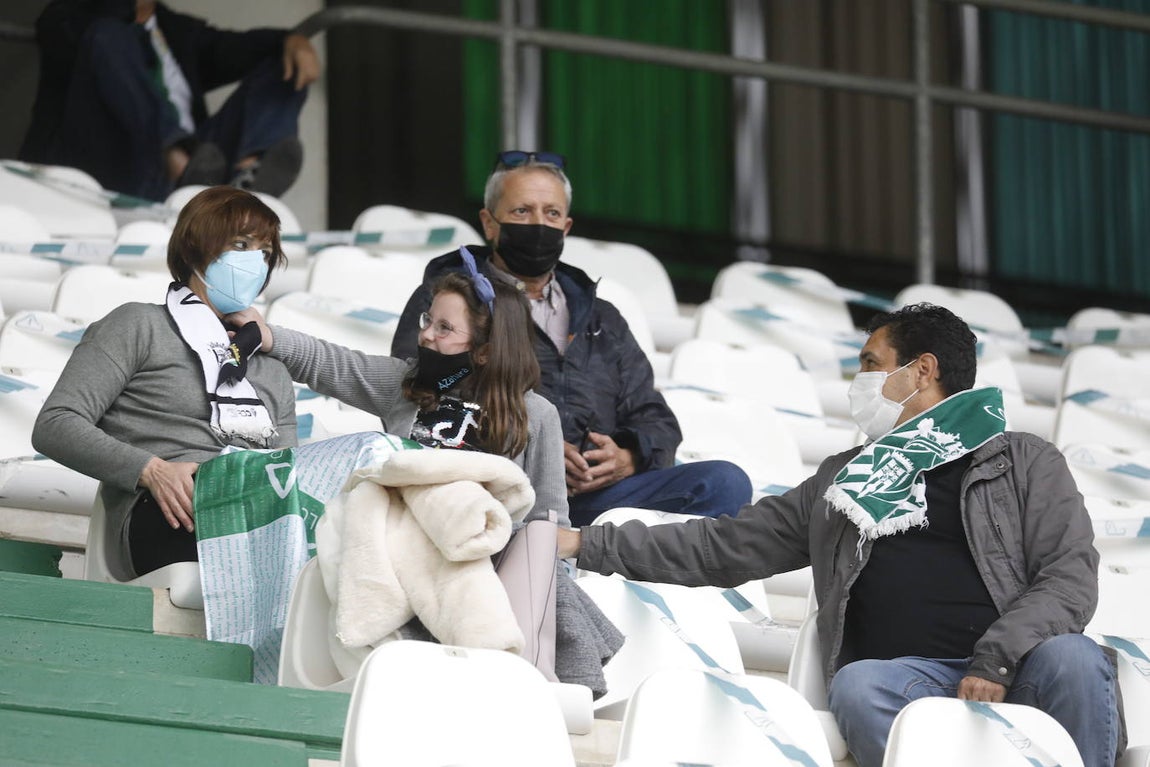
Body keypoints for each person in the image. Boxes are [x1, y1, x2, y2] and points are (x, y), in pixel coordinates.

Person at [558, 303, 1122, 767]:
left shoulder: (1023, 460)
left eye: (871, 364)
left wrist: (993, 662)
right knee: (856, 687)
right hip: (905, 684)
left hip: (1015, 672)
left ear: (922, 371)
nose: (860, 381)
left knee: (1074, 657)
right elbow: (723, 545)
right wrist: (587, 543)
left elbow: (1070, 580)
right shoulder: (844, 478)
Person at [392, 151, 752, 526]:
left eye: (551, 213)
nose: (538, 223)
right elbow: (420, 389)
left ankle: (596, 549)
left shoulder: (603, 318)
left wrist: (627, 456)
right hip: (497, 487)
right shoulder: (447, 300)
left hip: (595, 498)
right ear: (489, 223)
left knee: (724, 483)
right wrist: (530, 446)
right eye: (522, 211)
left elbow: (653, 416)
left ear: (565, 227)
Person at [32, 186, 297, 580]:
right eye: (241, 244)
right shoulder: (138, 325)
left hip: (257, 511)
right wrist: (151, 470)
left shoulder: (271, 366)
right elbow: (55, 423)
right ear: (195, 249)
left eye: (265, 253)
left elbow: (288, 472)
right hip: (172, 509)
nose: (256, 262)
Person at [230, 249, 568, 525]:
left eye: (445, 328)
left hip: (489, 568)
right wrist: (268, 335)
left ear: (485, 351)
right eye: (428, 320)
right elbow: (330, 363)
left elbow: (548, 523)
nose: (426, 334)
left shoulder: (536, 415)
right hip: (398, 556)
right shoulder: (405, 383)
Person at [20, 0, 320, 200]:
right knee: (108, 34)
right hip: (119, 171)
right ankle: (177, 161)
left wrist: (292, 40)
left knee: (282, 63)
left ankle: (248, 177)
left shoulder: (176, 30)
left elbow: (240, 48)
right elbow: (94, 33)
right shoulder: (69, 18)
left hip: (203, 169)